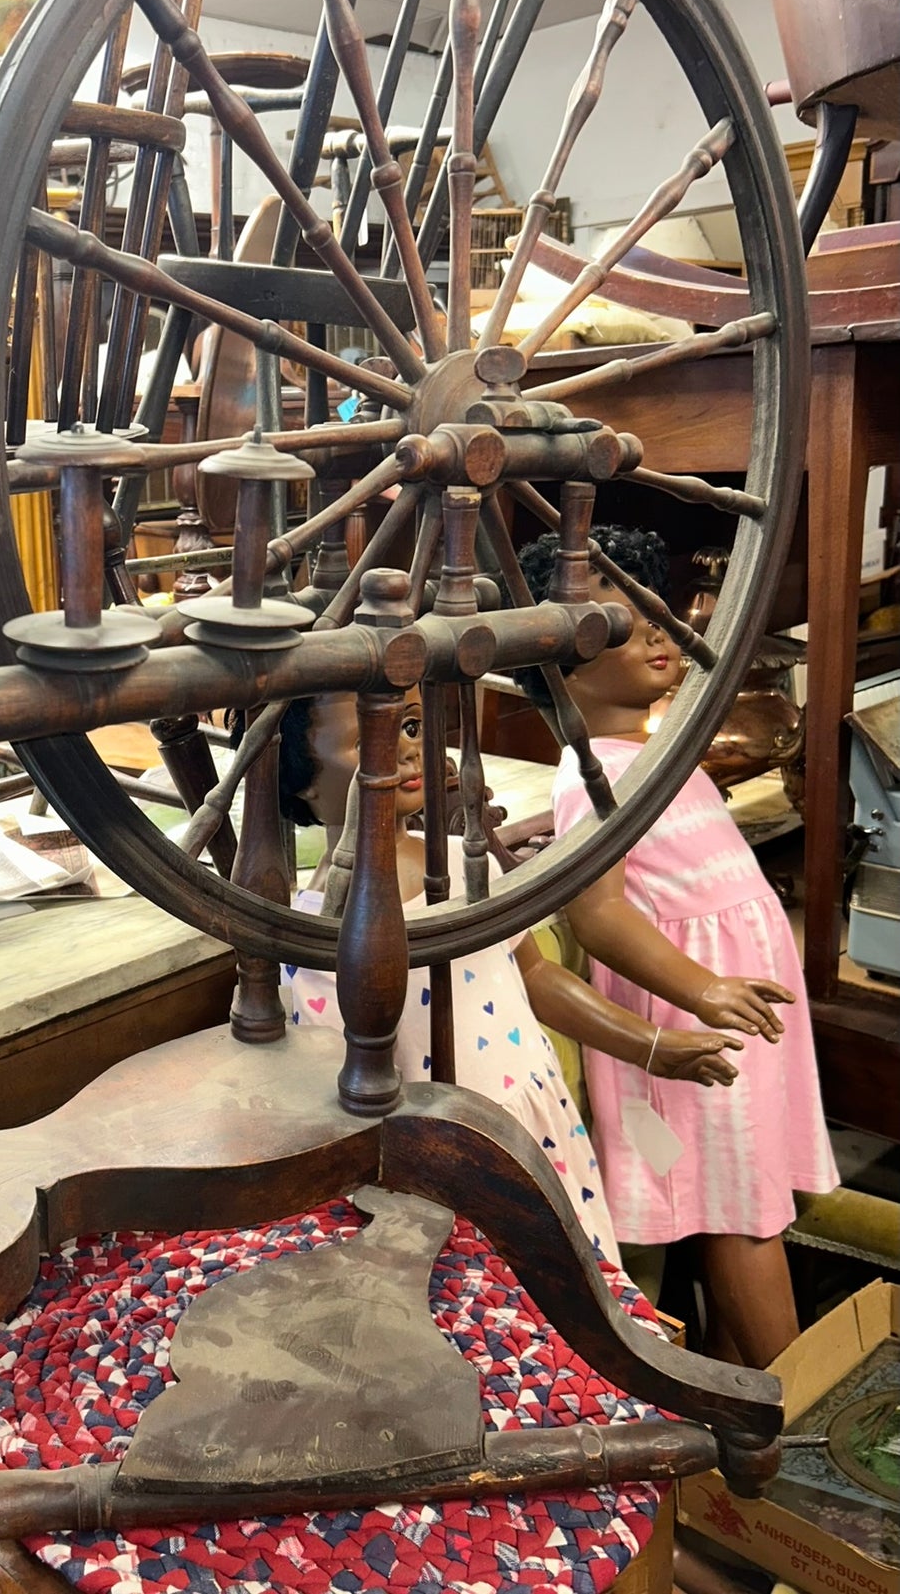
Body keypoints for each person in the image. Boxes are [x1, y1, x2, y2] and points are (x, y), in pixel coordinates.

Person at [516, 524, 838, 1366]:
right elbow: (600, 915)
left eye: (655, 616)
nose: (658, 634)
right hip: (693, 1023)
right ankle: (789, 1405)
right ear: (564, 661)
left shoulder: (654, 755)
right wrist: (700, 989)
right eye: (625, 626)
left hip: (738, 1012)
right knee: (739, 1211)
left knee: (753, 1194)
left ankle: (741, 1387)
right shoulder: (597, 777)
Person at [274, 690, 745, 1262]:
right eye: (368, 739)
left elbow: (536, 975)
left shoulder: (468, 863)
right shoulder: (313, 930)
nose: (405, 751)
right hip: (436, 1159)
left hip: (532, 1122)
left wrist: (650, 1045)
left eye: (416, 727)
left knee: (569, 1295)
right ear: (300, 778)